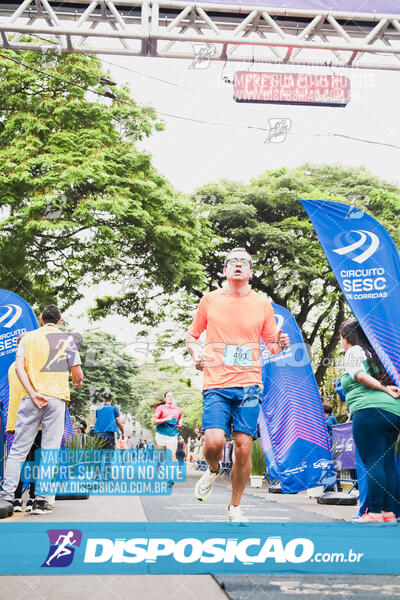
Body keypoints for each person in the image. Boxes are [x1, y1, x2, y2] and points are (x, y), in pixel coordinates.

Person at [186, 247, 290, 523]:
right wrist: (197, 355)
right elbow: (191, 337)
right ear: (225, 270)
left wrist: (280, 344)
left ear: (251, 272)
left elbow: (272, 346)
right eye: (232, 262)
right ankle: (212, 467)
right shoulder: (210, 300)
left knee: (244, 445)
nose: (238, 265)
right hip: (217, 383)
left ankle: (234, 507)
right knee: (214, 441)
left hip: (249, 384)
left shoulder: (262, 304)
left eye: (245, 262)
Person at [1, 305, 83, 515]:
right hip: (56, 400)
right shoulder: (65, 339)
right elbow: (77, 373)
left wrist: (32, 391)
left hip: (31, 398)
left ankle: (7, 498)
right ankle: (40, 501)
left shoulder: (28, 338)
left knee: (18, 449)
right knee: (49, 451)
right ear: (59, 320)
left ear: (40, 319)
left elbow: (19, 367)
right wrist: (76, 382)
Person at [340, 319, 400, 525]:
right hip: (393, 411)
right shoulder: (376, 353)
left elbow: (359, 375)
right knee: (386, 463)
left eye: (341, 336)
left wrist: (383, 388)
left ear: (346, 337)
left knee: (373, 461)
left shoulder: (353, 351)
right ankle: (388, 512)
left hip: (369, 412)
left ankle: (374, 512)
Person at [152, 391, 183, 456]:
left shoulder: (177, 409)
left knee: (172, 456)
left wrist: (180, 423)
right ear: (165, 399)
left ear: (173, 398)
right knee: (161, 458)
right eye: (168, 396)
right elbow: (154, 421)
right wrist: (165, 419)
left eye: (171, 396)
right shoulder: (160, 408)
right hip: (161, 435)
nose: (170, 397)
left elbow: (180, 418)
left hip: (173, 435)